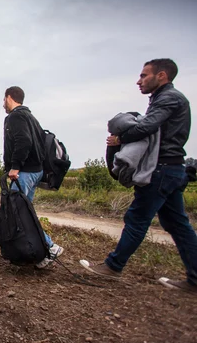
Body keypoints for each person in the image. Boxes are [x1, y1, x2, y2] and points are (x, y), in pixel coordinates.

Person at [80, 59, 196, 294]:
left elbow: (147, 127)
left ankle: (113, 266)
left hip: (162, 169)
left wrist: (120, 140)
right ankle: (195, 277)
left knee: (137, 217)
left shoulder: (168, 99)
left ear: (161, 76)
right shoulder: (165, 99)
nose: (139, 80)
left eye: (144, 75)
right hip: (172, 168)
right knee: (176, 223)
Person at [2, 86, 64, 268]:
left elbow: (24, 141)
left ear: (9, 97)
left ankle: (50, 247)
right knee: (24, 211)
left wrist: (15, 167)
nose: (3, 104)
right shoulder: (31, 117)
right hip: (35, 171)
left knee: (17, 211)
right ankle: (28, 249)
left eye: (3, 99)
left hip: (25, 172)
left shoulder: (16, 116)